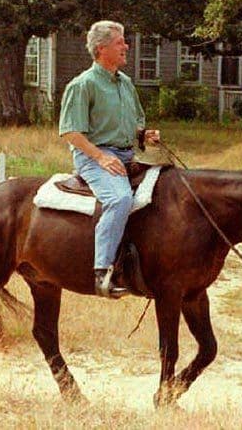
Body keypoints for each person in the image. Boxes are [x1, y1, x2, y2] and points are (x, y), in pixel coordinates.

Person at [58, 21, 160, 298]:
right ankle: (103, 272)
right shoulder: (82, 85)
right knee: (119, 199)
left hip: (127, 154)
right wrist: (101, 157)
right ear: (102, 49)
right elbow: (71, 131)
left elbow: (131, 124)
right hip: (94, 157)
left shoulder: (125, 83)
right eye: (120, 42)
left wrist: (143, 135)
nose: (127, 46)